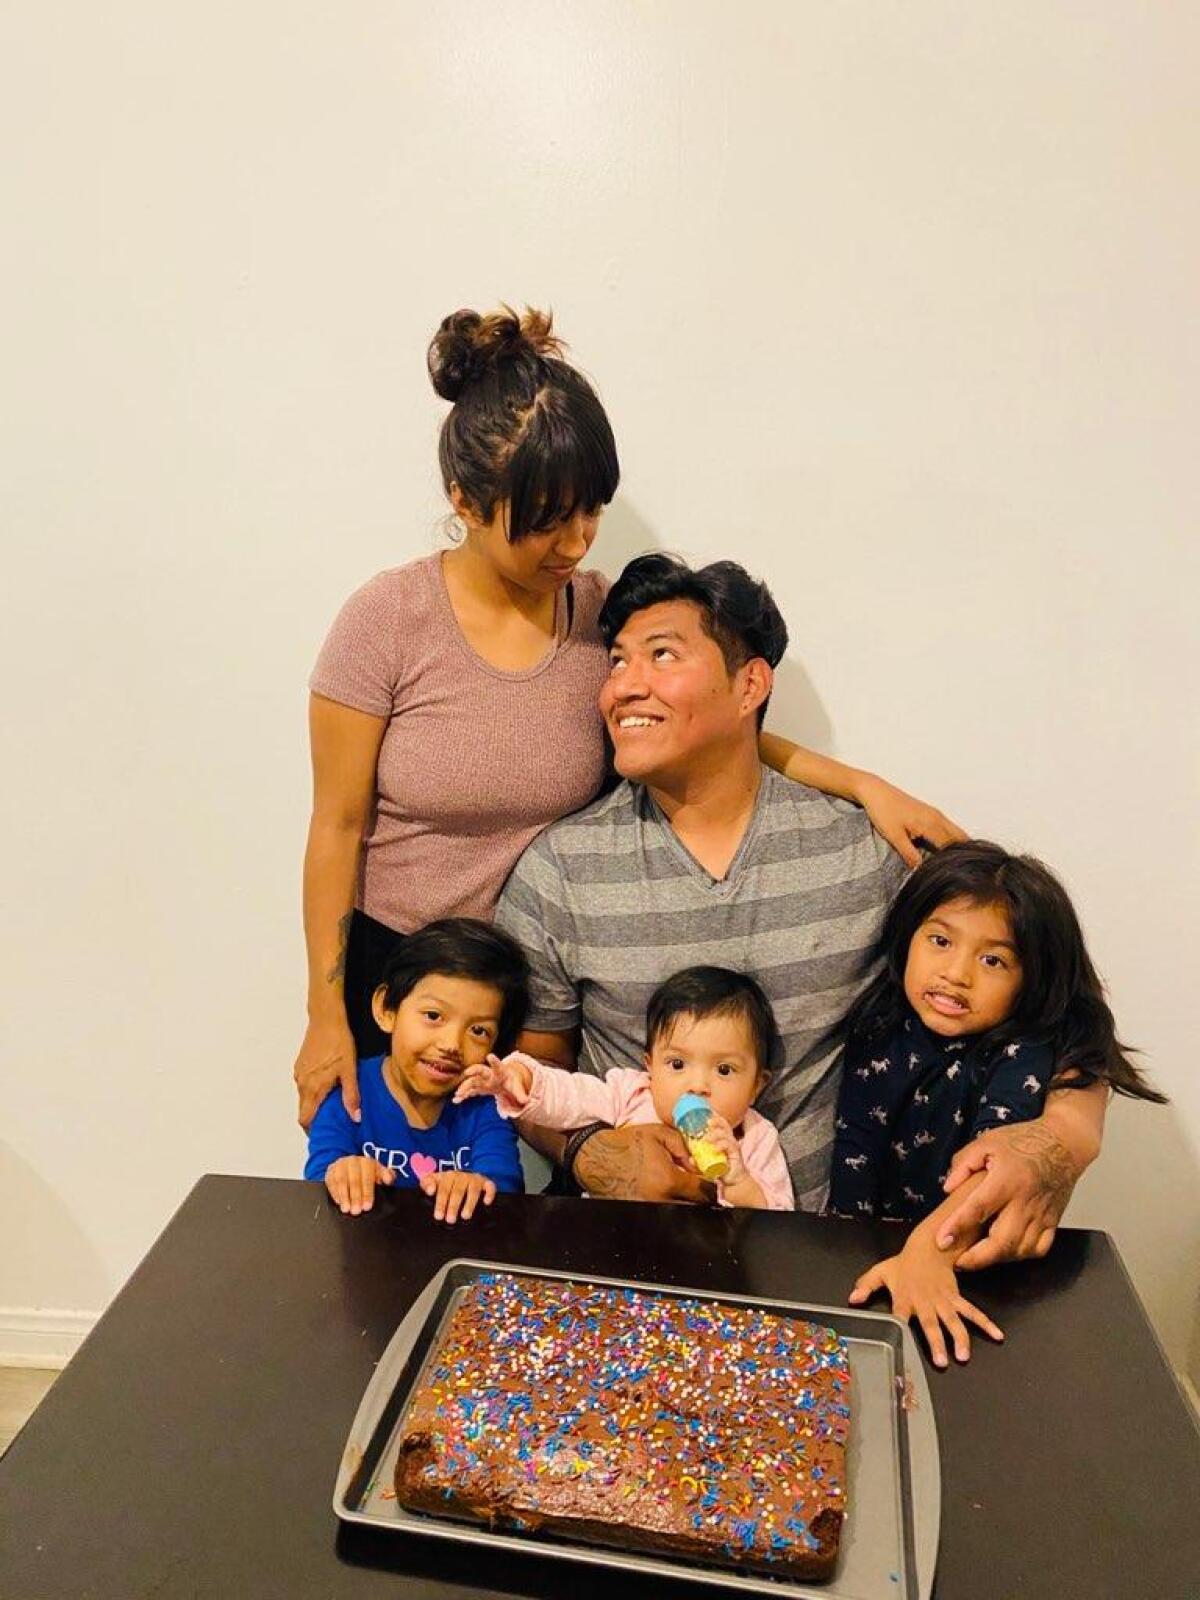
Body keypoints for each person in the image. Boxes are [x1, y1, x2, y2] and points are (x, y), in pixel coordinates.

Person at [293, 304, 964, 1129]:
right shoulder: (387, 619)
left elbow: (712, 728)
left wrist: (861, 785)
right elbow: (336, 826)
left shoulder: (602, 621)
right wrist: (327, 1014)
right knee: (379, 1200)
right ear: (466, 502)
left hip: (528, 984)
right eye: (543, 522)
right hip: (406, 976)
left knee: (499, 1201)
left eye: (589, 512)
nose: (573, 543)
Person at [494, 555, 1110, 1256]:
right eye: (616, 661)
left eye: (661, 655)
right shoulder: (560, 872)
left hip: (824, 1254)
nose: (622, 687)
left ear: (750, 683)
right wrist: (590, 1155)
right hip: (631, 1246)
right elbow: (529, 1073)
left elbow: (1056, 1008)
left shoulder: (868, 853)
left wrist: (1059, 1142)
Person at [832, 841, 1163, 1366]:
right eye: (940, 940)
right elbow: (855, 1143)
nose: (957, 973)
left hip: (967, 1267)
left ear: (1031, 978)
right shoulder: (879, 1020)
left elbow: (995, 1164)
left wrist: (930, 1252)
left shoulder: (1019, 1049)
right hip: (864, 1262)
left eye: (993, 960)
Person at [455, 966, 794, 1209]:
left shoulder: (754, 1138)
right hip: (613, 1249)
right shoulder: (630, 1093)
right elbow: (571, 1096)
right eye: (677, 1064)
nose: (698, 1086)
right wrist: (524, 1078)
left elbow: (776, 1227)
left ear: (755, 1086)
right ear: (650, 1068)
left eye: (724, 1070)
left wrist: (739, 1182)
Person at [304, 919, 527, 1224]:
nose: (451, 1044)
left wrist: (476, 1186)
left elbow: (504, 1190)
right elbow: (319, 1182)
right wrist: (344, 1172)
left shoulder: (487, 1105)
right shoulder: (348, 1092)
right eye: (433, 1016)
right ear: (386, 1009)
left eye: (478, 1030)